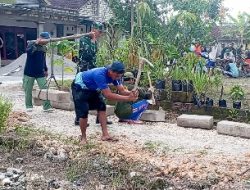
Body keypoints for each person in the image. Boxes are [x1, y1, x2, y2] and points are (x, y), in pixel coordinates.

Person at [71, 61, 138, 144]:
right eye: (116, 76)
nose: (117, 78)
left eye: (119, 76)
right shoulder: (100, 75)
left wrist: (131, 93)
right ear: (110, 71)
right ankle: (83, 137)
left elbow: (122, 90)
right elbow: (108, 95)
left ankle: (105, 135)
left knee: (102, 107)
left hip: (92, 88)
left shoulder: (116, 76)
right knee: (84, 112)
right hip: (80, 87)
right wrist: (128, 98)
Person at [75, 21, 113, 125]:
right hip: (83, 71)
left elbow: (94, 54)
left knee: (98, 92)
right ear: (94, 30)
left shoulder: (94, 41)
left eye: (101, 32)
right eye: (99, 32)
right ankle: (79, 118)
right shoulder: (84, 39)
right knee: (81, 94)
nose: (100, 34)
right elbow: (88, 54)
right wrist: (93, 41)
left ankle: (99, 118)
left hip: (93, 70)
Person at [23, 32, 53, 112]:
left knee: (44, 89)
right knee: (28, 89)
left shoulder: (44, 48)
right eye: (46, 39)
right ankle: (29, 106)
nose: (47, 42)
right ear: (41, 38)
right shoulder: (31, 44)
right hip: (29, 71)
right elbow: (29, 53)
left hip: (40, 72)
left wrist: (45, 69)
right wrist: (36, 44)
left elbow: (43, 60)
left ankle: (46, 107)